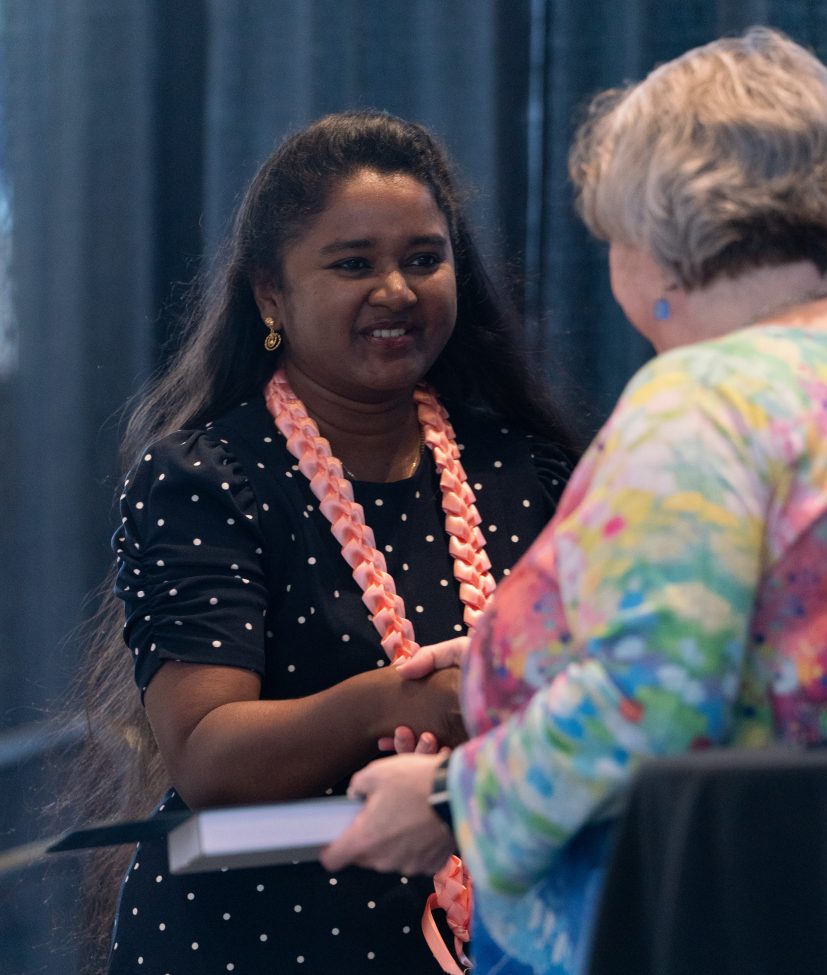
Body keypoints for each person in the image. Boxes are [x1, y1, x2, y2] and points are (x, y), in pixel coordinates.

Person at [319, 27, 827, 975]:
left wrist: (449, 798)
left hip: (702, 925)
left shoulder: (700, 402)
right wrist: (525, 643)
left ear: (660, 239)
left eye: (611, 236)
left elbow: (653, 698)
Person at [77, 110, 578, 974]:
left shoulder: (523, 465)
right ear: (271, 293)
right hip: (254, 941)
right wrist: (401, 700)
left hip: (498, 938)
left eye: (424, 259)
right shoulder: (206, 477)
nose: (396, 289)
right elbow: (207, 756)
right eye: (354, 264)